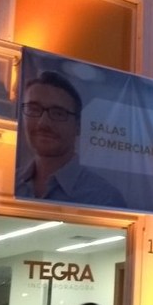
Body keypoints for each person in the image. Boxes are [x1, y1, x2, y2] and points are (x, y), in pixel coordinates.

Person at [15, 70, 126, 208]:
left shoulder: (104, 198)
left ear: (78, 126)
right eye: (34, 109)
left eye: (58, 113)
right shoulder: (14, 183)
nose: (43, 123)